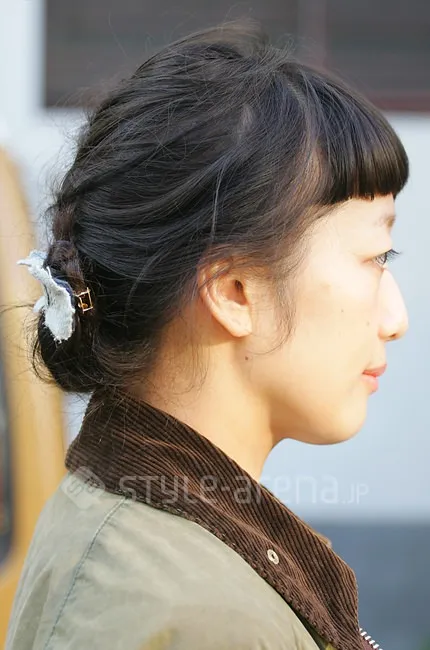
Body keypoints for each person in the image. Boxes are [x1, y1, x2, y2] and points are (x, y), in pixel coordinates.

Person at [6, 20, 408, 650]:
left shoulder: (121, 511)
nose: (396, 319)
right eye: (376, 258)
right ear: (233, 291)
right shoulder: (207, 618)